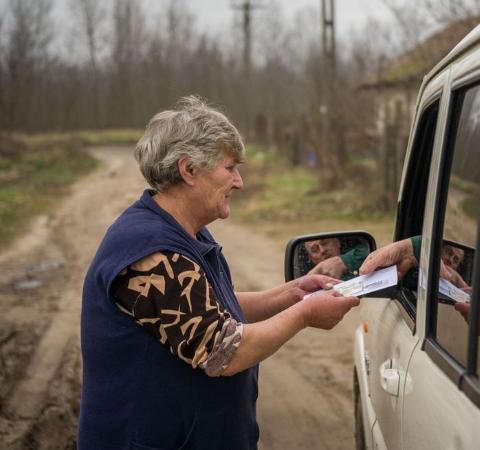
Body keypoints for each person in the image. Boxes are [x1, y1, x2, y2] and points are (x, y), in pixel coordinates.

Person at [79, 96, 358, 450]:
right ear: (189, 170)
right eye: (229, 168)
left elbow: (207, 310)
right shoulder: (150, 252)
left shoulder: (186, 232)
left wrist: (293, 293)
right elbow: (222, 352)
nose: (239, 181)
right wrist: (304, 314)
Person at [359, 236, 480, 336]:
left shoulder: (455, 285)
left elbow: (464, 288)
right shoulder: (414, 273)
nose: (450, 260)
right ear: (437, 250)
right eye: (448, 252)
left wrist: (457, 281)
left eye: (456, 260)